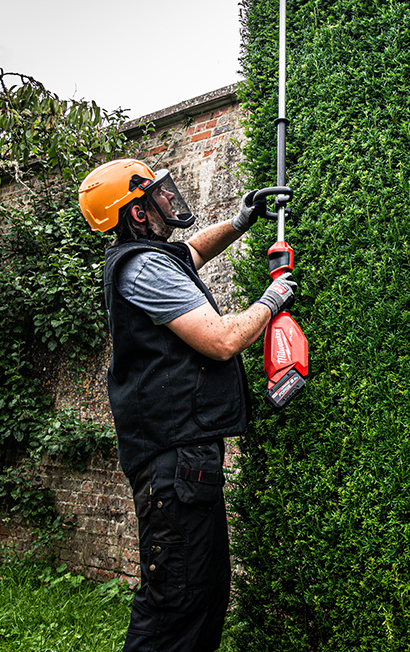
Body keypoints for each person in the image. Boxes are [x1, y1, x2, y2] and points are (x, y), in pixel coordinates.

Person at [78, 158, 294, 652]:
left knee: (206, 594)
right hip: (173, 461)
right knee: (177, 602)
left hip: (182, 456)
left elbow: (192, 250)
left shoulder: (151, 256)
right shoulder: (145, 268)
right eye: (157, 194)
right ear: (137, 213)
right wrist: (272, 299)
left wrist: (240, 221)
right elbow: (221, 341)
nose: (169, 198)